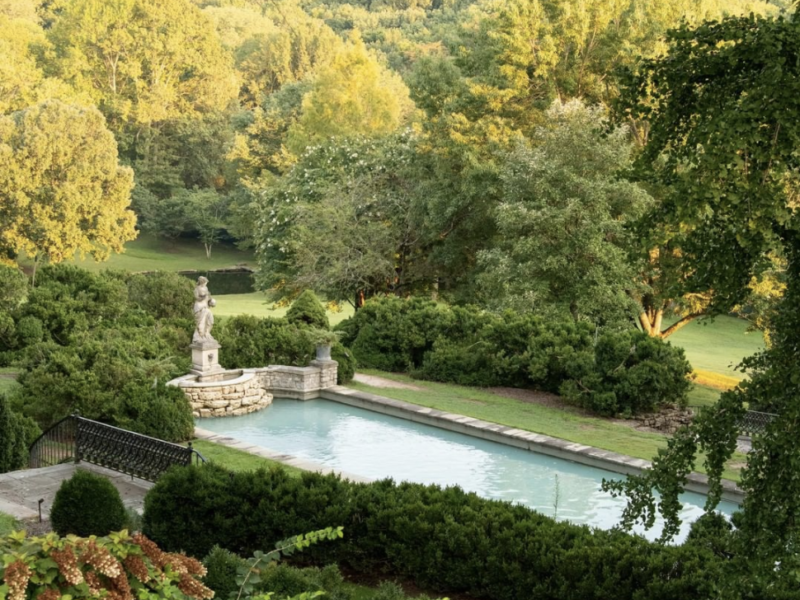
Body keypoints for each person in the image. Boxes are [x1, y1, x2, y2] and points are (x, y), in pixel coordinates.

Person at [192, 276, 216, 342]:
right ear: (202, 282)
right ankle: (200, 336)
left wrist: (211, 301)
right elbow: (197, 298)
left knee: (210, 320)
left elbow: (208, 298)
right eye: (205, 282)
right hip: (199, 308)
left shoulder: (206, 288)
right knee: (200, 323)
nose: (206, 284)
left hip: (206, 307)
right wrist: (204, 296)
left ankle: (207, 333)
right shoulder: (197, 289)